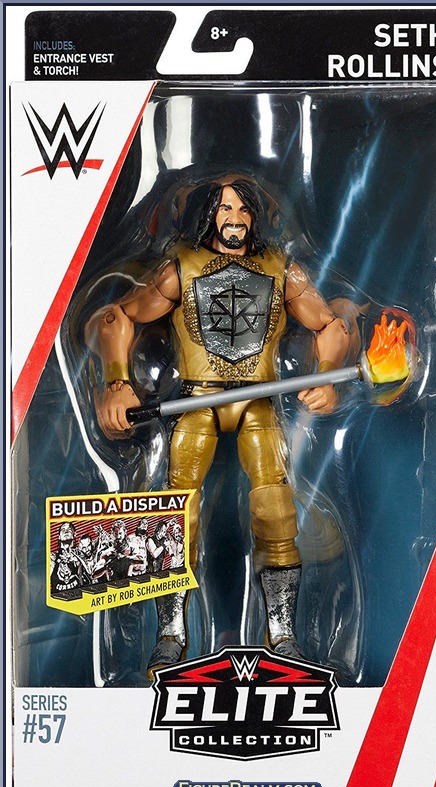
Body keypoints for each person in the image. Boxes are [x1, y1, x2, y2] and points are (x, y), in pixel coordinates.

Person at [85, 176, 361, 675]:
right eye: (224, 208)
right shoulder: (182, 267)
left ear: (256, 216)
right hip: (198, 398)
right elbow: (114, 318)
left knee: (276, 508)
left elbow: (333, 325)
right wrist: (117, 381)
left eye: (243, 209)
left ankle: (283, 634)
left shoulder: (280, 269)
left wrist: (327, 378)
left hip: (259, 400)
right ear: (208, 214)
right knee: (176, 513)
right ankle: (171, 635)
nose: (234, 218)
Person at [50, 522, 82, 594]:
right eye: (63, 530)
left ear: (74, 534)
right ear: (59, 536)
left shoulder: (80, 554)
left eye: (69, 530)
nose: (66, 532)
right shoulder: (52, 558)